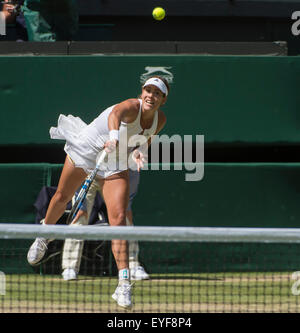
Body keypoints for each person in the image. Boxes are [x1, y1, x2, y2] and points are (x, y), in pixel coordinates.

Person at [27, 75, 169, 309]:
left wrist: (139, 151)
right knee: (62, 196)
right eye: (148, 90)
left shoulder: (159, 119)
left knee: (119, 220)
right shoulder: (131, 106)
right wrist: (113, 137)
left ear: (163, 99)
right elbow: (115, 115)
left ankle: (123, 284)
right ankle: (43, 237)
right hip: (89, 148)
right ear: (141, 92)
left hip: (116, 161)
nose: (150, 96)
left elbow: (146, 138)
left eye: (157, 93)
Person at [61, 170, 150, 282]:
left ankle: (133, 265)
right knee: (79, 216)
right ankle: (70, 267)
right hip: (90, 170)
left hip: (118, 173)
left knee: (124, 217)